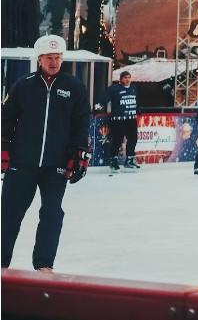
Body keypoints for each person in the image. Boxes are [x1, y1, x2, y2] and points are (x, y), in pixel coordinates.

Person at [1, 34, 91, 272]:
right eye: (49, 57)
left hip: (56, 165)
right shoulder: (24, 85)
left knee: (52, 214)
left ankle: (43, 265)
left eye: (58, 57)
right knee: (9, 214)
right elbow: (5, 119)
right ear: (39, 59)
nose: (54, 62)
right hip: (22, 163)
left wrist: (79, 153)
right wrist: (4, 149)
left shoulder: (74, 87)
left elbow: (81, 124)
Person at [100, 70, 140, 171]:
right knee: (117, 139)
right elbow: (104, 98)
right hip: (118, 119)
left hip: (131, 119)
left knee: (133, 138)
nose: (127, 80)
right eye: (125, 78)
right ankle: (113, 160)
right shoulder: (115, 88)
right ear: (121, 79)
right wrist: (98, 106)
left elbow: (136, 101)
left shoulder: (133, 88)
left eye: (129, 77)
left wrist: (138, 110)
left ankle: (130, 159)